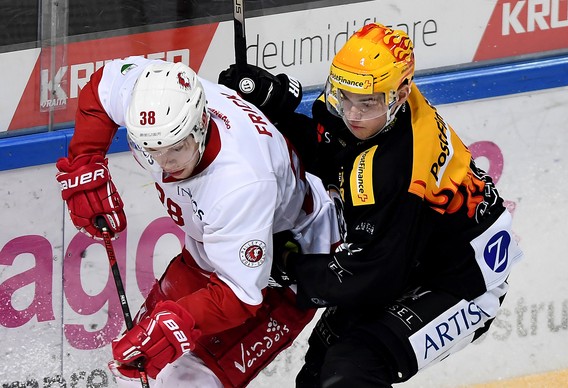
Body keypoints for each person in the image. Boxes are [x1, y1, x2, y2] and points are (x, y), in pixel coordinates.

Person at [218, 22, 524, 387]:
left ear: (400, 94)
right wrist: (275, 105)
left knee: (352, 369)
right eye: (344, 96)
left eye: (367, 103)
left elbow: (368, 277)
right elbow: (333, 145)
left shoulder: (394, 169)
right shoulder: (381, 106)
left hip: (463, 283)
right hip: (412, 250)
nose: (353, 114)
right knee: (320, 368)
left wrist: (286, 263)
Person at [55, 56, 341, 387]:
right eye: (149, 149)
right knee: (138, 368)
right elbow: (102, 87)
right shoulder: (157, 93)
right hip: (211, 251)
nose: (163, 164)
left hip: (286, 269)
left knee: (189, 381)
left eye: (175, 148)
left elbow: (240, 295)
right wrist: (85, 160)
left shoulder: (240, 182)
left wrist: (178, 320)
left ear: (201, 123)